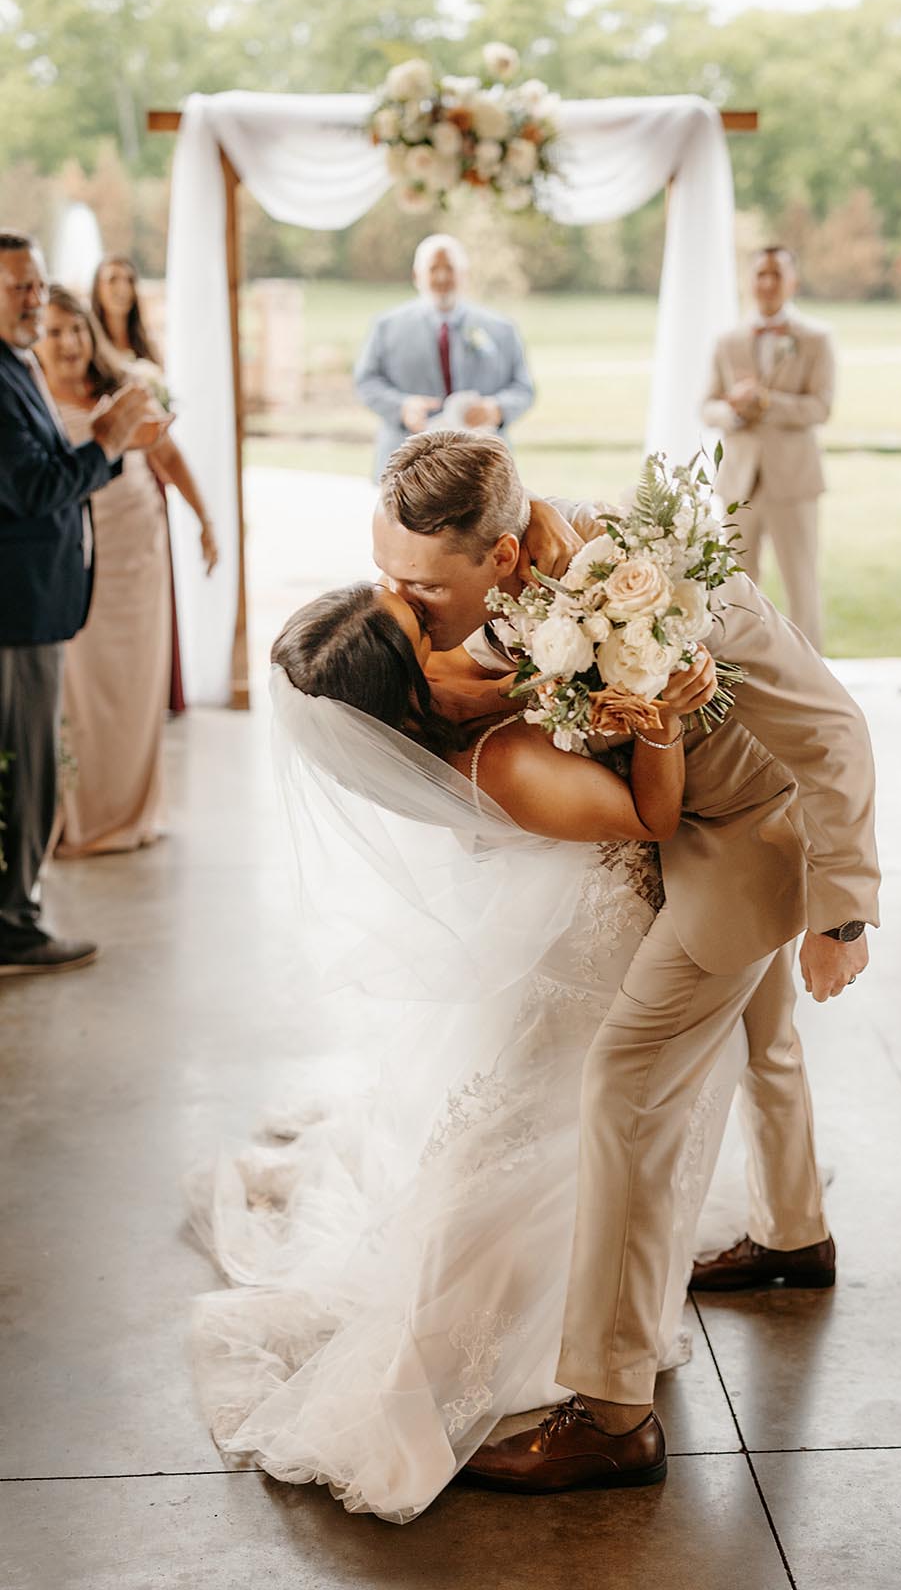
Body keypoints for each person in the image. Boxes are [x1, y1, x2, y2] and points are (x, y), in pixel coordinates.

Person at [371, 431, 879, 1492]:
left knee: (625, 1088)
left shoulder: (676, 594)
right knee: (756, 1032)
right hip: (684, 831)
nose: (406, 604)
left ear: (499, 557)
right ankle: (792, 1234)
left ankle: (609, 1410)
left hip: (744, 847)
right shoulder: (521, 596)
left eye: (421, 587)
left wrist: (839, 915)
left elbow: (834, 727)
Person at [187, 583, 739, 1523]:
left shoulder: (471, 705)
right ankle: (509, 1350)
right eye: (419, 625)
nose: (440, 615)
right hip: (592, 961)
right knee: (541, 1149)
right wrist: (656, 718)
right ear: (411, 690)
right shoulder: (501, 763)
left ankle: (603, 1317)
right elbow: (650, 819)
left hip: (578, 943)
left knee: (564, 1147)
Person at [0, 232, 153, 976]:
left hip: (39, 598)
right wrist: (108, 442)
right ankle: (15, 924)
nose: (33, 298)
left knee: (28, 764)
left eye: (36, 284)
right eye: (16, 287)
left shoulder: (16, 364)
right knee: (26, 768)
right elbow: (30, 489)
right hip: (14, 609)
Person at [35, 286, 216, 857]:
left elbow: (166, 454)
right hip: (75, 558)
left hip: (138, 549)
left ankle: (134, 810)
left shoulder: (123, 391)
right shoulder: (29, 400)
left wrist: (205, 520)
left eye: (77, 329)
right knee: (82, 689)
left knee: (137, 684)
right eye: (55, 330)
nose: (69, 343)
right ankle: (80, 817)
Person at [92, 254, 218, 713]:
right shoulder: (87, 349)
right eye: (111, 279)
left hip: (150, 473)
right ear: (98, 288)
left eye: (127, 278)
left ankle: (159, 690)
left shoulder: (147, 352)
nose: (120, 287)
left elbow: (164, 438)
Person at [701, 245, 835, 651]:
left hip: (793, 479)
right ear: (750, 280)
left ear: (792, 281)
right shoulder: (728, 339)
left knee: (801, 582)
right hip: (739, 480)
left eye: (777, 274)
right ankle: (738, 675)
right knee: (735, 585)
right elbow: (707, 405)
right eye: (760, 273)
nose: (768, 282)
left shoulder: (816, 338)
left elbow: (821, 407)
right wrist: (734, 410)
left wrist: (767, 402)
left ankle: (812, 677)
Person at [354, 234, 534, 479]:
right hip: (407, 470)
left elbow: (524, 387)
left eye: (449, 268)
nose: (441, 277)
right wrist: (402, 407)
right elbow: (366, 382)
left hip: (482, 469)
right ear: (417, 276)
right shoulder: (386, 327)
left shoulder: (502, 328)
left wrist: (497, 408)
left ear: (465, 274)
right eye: (433, 269)